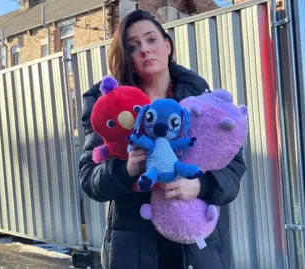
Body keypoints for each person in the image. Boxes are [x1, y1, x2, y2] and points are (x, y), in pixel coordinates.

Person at [78, 9, 246, 269]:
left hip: (199, 247)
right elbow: (89, 178)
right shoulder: (111, 109)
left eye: (151, 39)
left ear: (167, 45)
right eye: (133, 46)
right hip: (135, 247)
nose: (145, 49)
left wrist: (201, 186)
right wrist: (127, 169)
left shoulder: (201, 98)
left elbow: (234, 164)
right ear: (127, 57)